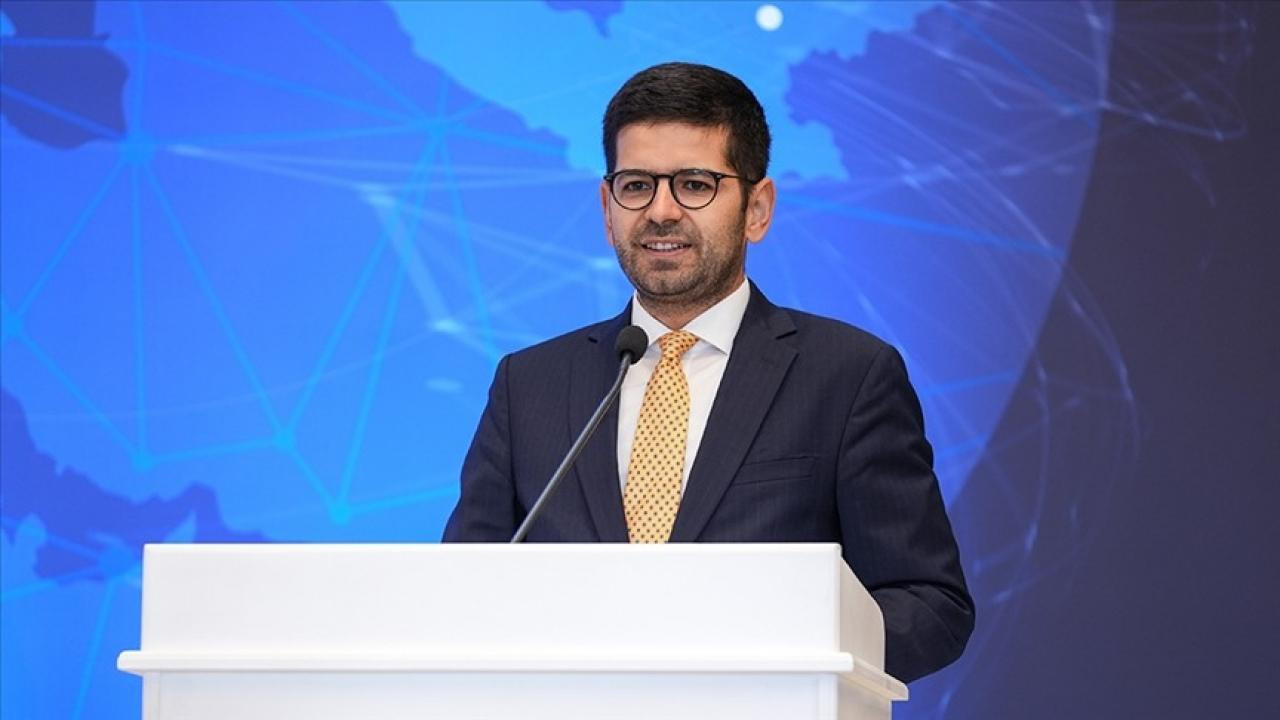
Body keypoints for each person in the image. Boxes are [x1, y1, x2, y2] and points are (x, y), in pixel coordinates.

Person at [443, 62, 974, 683]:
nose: (661, 211)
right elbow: (459, 597)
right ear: (607, 208)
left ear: (757, 208)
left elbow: (928, 605)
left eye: (695, 184)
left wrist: (781, 654)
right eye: (636, 185)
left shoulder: (848, 375)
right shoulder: (527, 385)